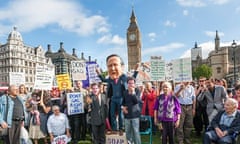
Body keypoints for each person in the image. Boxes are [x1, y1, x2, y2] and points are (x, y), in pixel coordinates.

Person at [96, 54, 139, 135]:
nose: (113, 68)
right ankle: (114, 129)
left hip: (121, 99)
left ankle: (121, 129)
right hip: (113, 99)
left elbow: (132, 78)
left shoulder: (123, 77)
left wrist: (136, 70)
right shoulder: (110, 79)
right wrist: (98, 73)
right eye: (110, 66)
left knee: (120, 114)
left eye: (115, 65)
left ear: (121, 67)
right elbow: (103, 79)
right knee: (112, 114)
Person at [122, 77, 141, 144]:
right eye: (129, 83)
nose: (131, 85)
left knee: (136, 132)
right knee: (128, 132)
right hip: (127, 115)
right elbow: (123, 103)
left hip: (135, 115)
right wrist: (123, 108)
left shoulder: (137, 91)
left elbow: (137, 101)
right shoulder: (125, 92)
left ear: (134, 84)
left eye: (132, 83)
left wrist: (133, 93)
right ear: (127, 84)